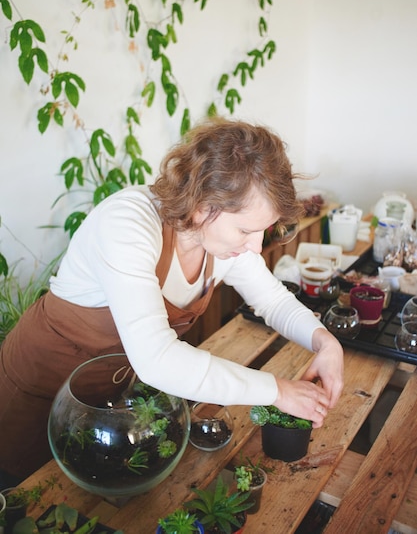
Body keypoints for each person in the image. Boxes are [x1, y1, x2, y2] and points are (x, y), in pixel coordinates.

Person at [0, 117, 344, 484]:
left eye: (262, 230)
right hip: (35, 392)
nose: (255, 246)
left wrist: (325, 342)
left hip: (103, 404)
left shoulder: (220, 241)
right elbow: (156, 359)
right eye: (246, 230)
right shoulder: (127, 224)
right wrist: (276, 391)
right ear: (201, 206)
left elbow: (273, 300)